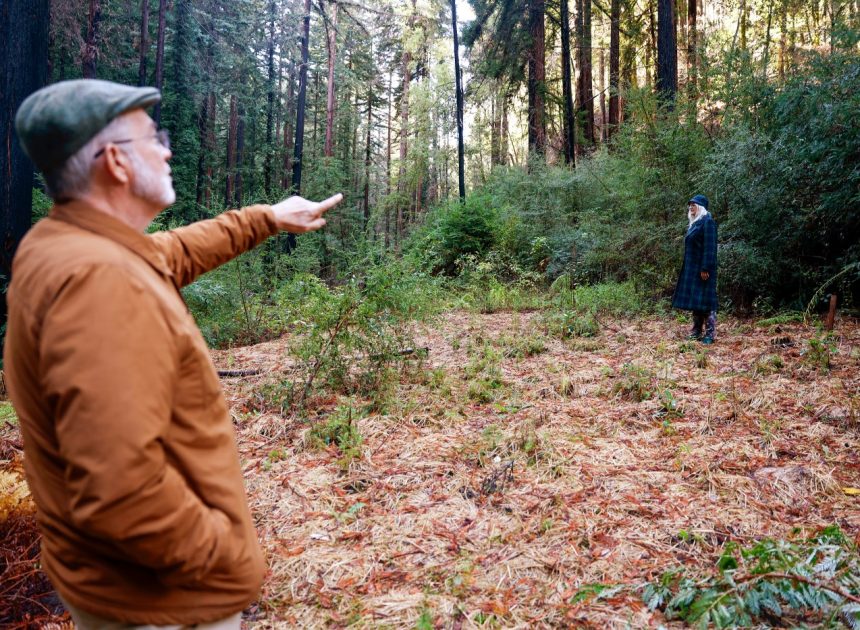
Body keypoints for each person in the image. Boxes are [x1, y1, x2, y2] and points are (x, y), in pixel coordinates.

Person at [4, 79, 343, 629]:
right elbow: (120, 491)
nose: (166, 148)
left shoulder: (68, 244)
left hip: (122, 589)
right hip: (161, 605)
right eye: (152, 137)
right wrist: (225, 557)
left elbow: (174, 250)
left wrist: (269, 217)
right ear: (114, 161)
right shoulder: (99, 280)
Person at [672, 194, 718, 344]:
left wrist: (705, 267)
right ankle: (697, 330)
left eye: (694, 205)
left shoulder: (708, 222)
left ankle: (710, 334)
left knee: (707, 301)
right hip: (693, 270)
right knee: (696, 300)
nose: (691, 207)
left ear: (701, 207)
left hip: (704, 269)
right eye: (690, 205)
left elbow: (710, 248)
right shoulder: (695, 223)